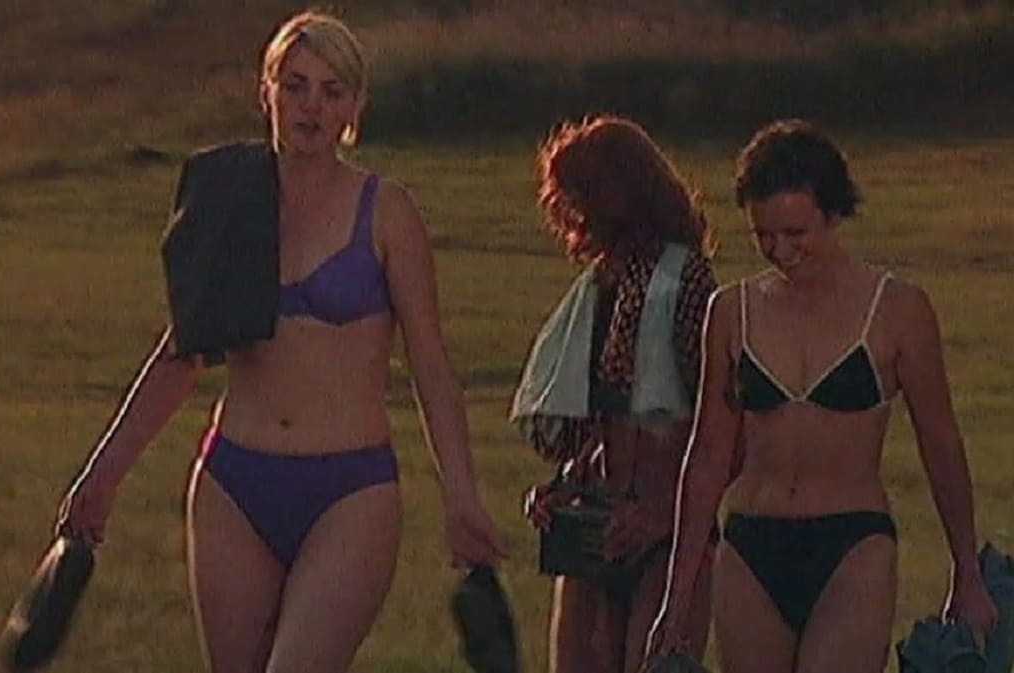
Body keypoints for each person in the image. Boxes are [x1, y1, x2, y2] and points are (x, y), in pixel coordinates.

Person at [54, 10, 508, 673]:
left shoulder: (387, 212)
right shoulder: (229, 199)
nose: (311, 106)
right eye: (295, 86)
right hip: (234, 482)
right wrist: (101, 476)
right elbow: (181, 352)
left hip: (350, 490)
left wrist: (462, 496)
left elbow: (432, 368)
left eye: (331, 90)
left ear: (353, 107)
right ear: (267, 92)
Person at [643, 118, 998, 673]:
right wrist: (677, 596)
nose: (780, 250)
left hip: (852, 544)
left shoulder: (898, 310)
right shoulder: (731, 312)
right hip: (751, 543)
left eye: (796, 233)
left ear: (833, 215)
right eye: (764, 235)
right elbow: (709, 454)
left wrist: (967, 573)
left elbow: (941, 445)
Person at [510, 115, 719, 673]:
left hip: (665, 531)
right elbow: (597, 415)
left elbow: (720, 423)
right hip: (596, 522)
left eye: (586, 196)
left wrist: (666, 515)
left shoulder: (686, 281)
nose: (577, 213)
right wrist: (561, 488)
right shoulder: (598, 287)